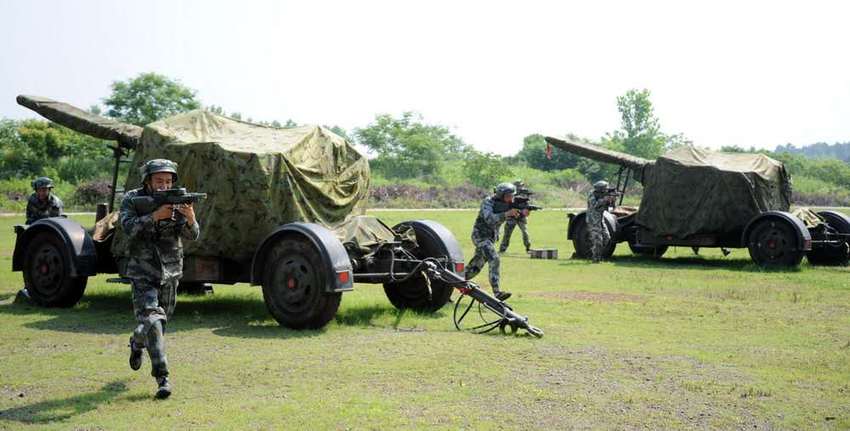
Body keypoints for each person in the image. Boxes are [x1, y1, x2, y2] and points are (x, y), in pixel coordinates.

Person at [120, 159, 200, 399]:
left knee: (161, 321)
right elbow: (127, 228)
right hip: (143, 271)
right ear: (148, 181)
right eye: (159, 181)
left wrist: (190, 218)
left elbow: (193, 235)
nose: (164, 186)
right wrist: (154, 216)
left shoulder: (179, 197)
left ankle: (136, 341)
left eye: (168, 181)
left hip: (171, 271)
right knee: (154, 323)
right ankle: (162, 378)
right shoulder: (132, 199)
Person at [465, 182, 528, 301]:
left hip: (490, 239)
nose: (511, 199)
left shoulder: (508, 205)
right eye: (508, 196)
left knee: (474, 268)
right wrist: (506, 214)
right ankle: (497, 292)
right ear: (500, 195)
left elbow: (514, 218)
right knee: (494, 258)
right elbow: (490, 219)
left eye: (512, 196)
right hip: (480, 237)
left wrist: (521, 214)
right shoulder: (488, 202)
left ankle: (450, 283)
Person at [499, 180, 532, 253]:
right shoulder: (510, 194)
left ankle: (528, 248)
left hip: (521, 217)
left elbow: (526, 206)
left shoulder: (524, 195)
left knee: (525, 232)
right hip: (511, 217)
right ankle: (502, 249)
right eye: (519, 186)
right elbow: (506, 205)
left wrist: (526, 210)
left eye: (521, 186)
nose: (521, 187)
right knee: (507, 234)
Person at [587, 180, 614, 263]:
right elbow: (594, 205)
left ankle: (597, 253)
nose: (606, 190)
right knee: (598, 240)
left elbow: (609, 206)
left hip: (600, 220)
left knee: (607, 238)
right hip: (593, 220)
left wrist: (610, 200)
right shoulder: (592, 194)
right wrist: (604, 200)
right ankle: (596, 259)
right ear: (600, 189)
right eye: (605, 189)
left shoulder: (602, 195)